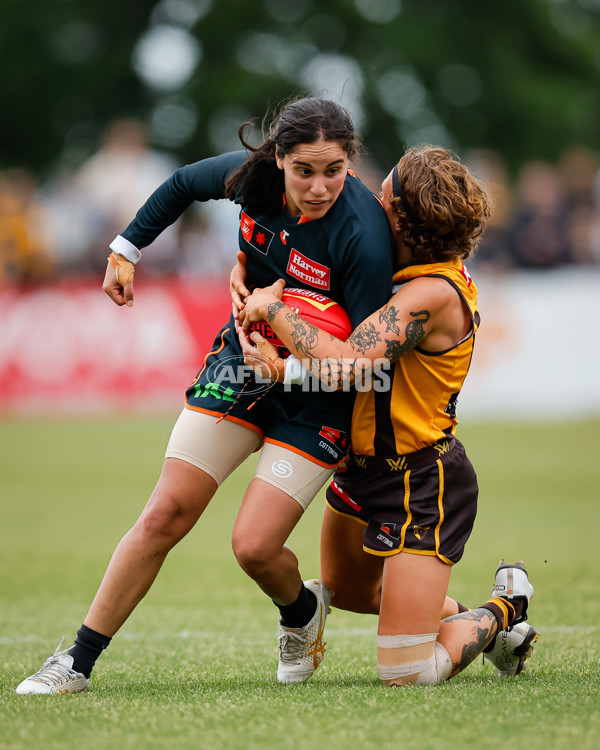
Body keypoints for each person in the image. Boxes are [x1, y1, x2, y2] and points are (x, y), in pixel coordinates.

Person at [16, 96, 401, 695]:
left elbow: (364, 369)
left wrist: (284, 369)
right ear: (278, 159)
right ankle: (76, 662)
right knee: (165, 512)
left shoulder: (365, 235)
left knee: (253, 548)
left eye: (335, 170)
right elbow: (179, 184)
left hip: (317, 396)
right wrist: (126, 249)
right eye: (304, 170)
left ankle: (299, 610)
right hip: (241, 363)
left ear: (351, 162)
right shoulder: (251, 178)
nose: (320, 186)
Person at [236, 145, 538, 686]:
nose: (371, 194)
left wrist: (275, 310)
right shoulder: (392, 269)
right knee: (350, 592)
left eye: (386, 191)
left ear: (402, 216)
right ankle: (495, 635)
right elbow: (369, 376)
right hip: (361, 471)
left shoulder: (433, 294)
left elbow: (351, 362)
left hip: (423, 480)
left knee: (408, 674)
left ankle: (503, 609)